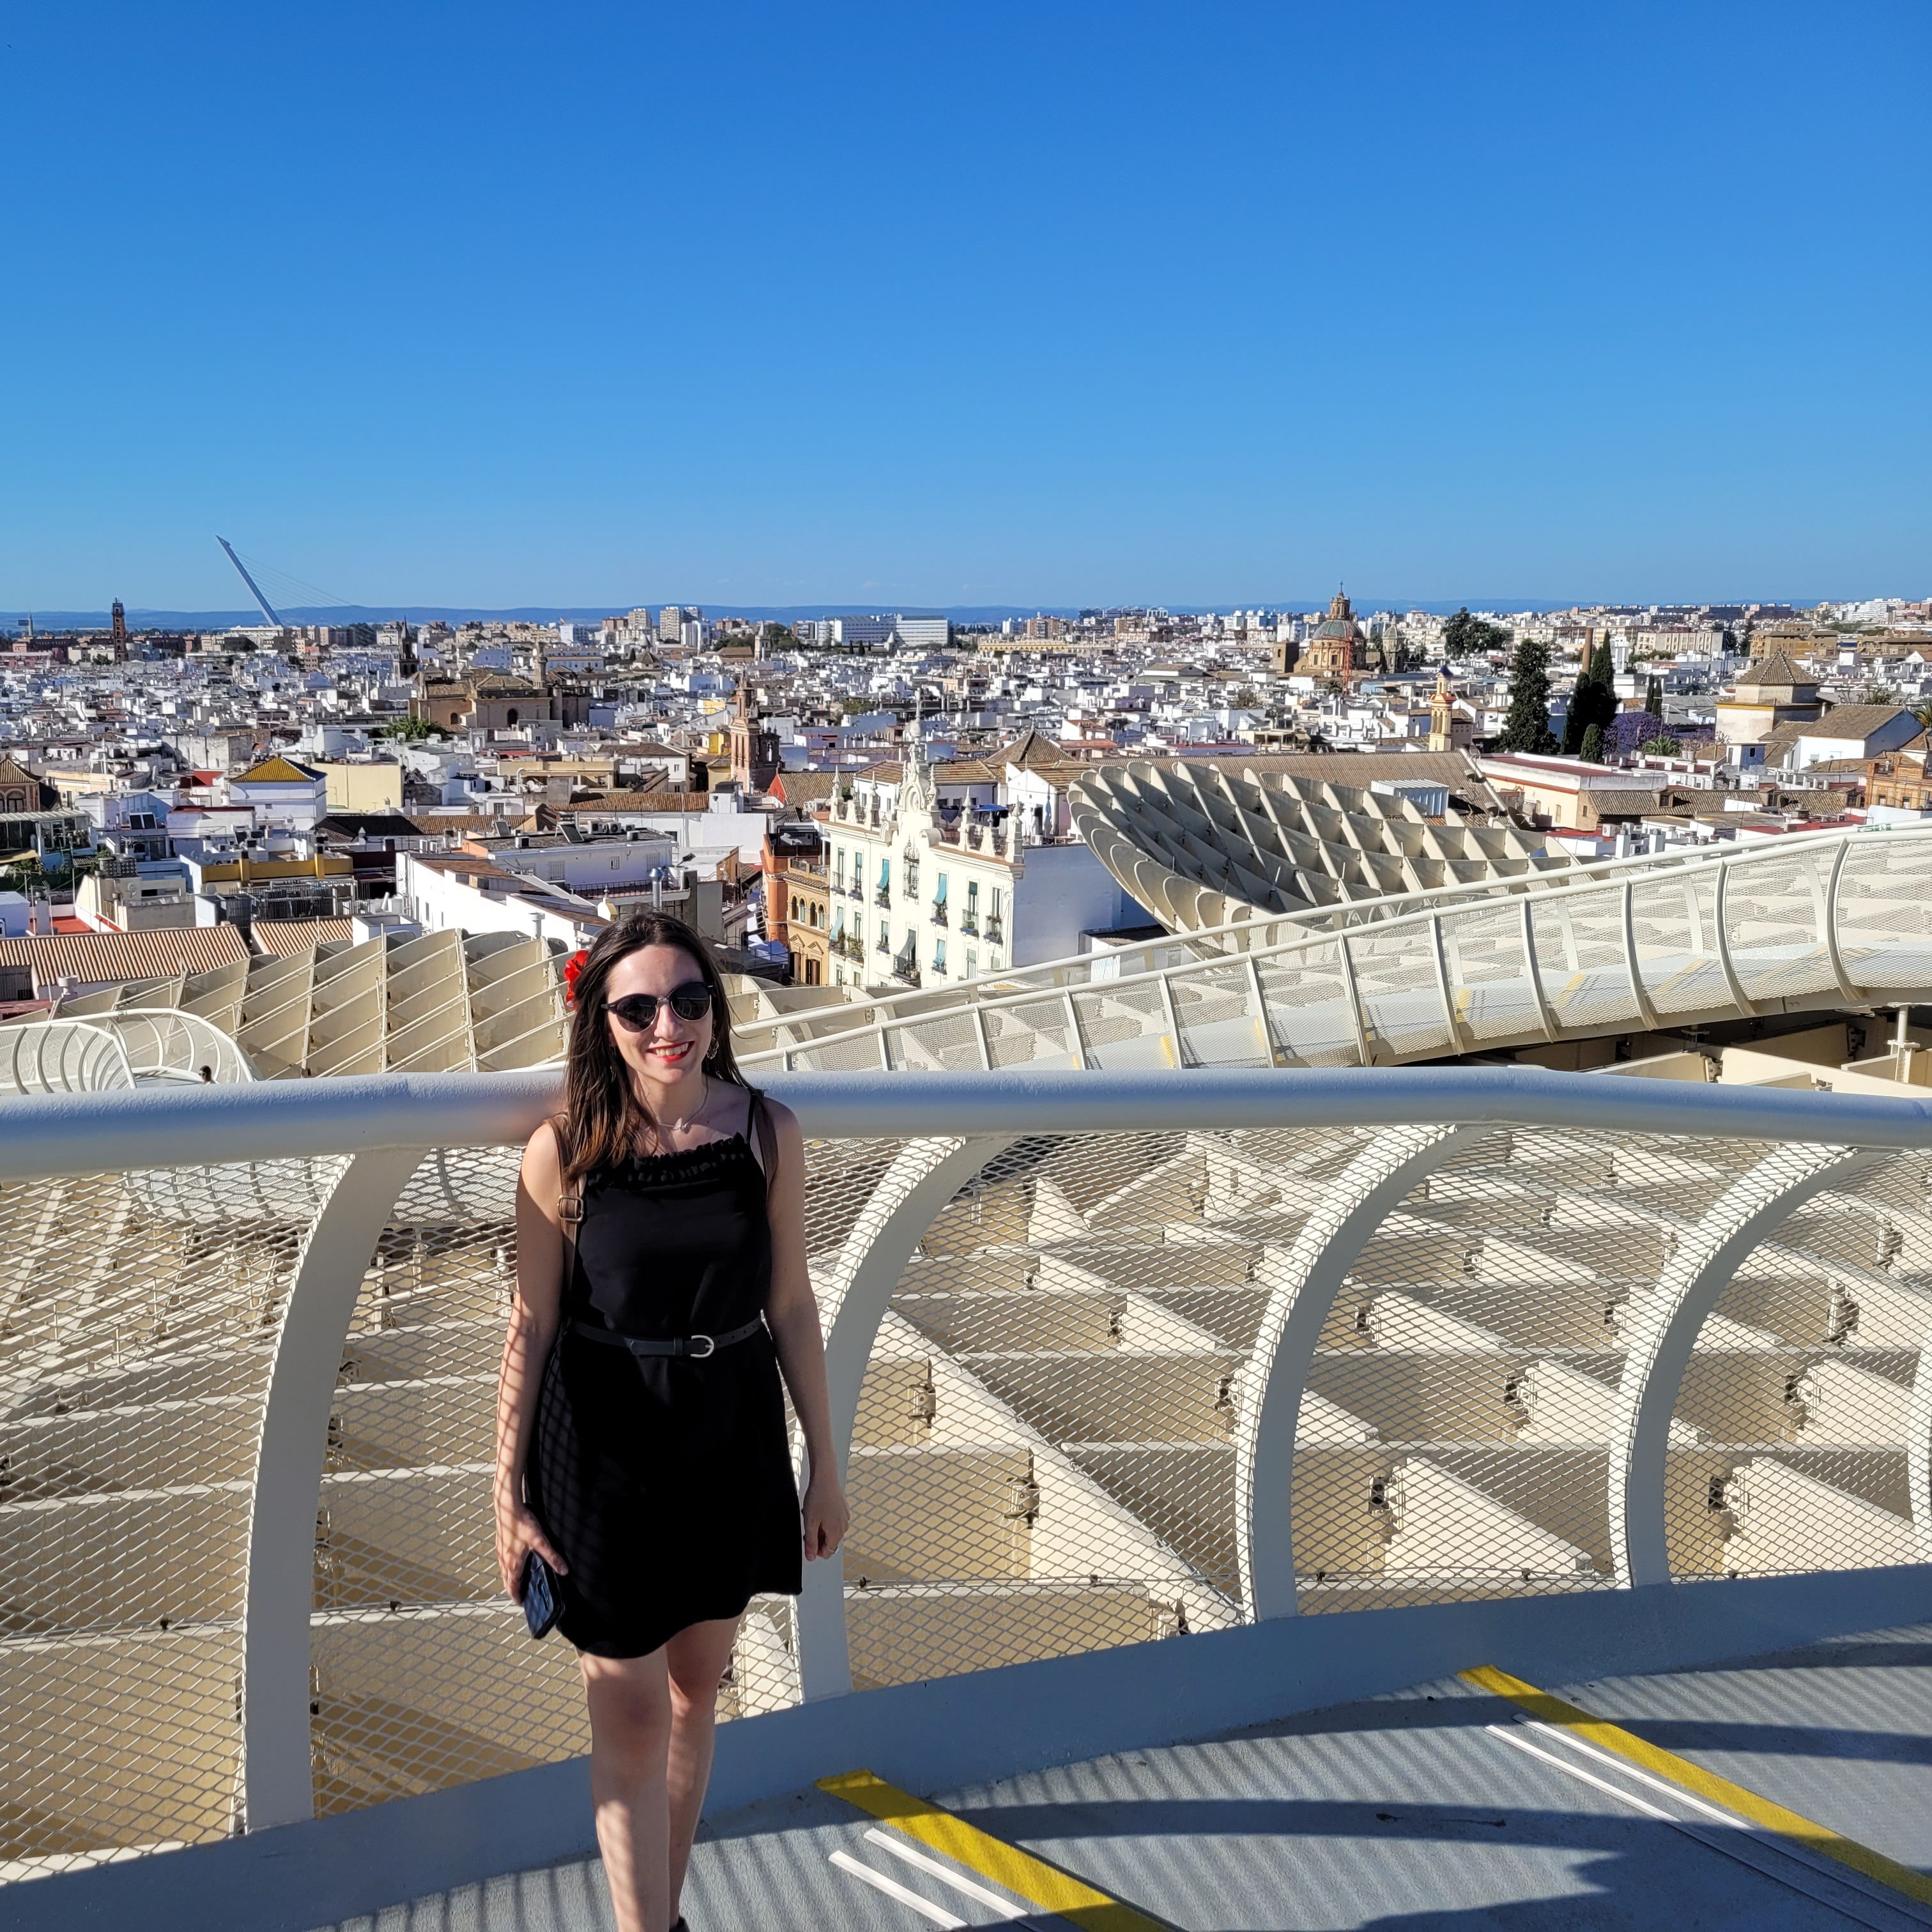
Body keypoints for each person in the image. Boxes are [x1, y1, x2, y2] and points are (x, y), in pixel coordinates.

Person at [494, 913, 847, 1932]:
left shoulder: (765, 1132)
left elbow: (791, 1304)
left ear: (714, 1010)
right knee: (634, 1707)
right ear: (599, 1019)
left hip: (727, 1433)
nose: (668, 1026)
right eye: (638, 1006)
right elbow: (531, 1323)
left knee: (699, 1686)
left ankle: (664, 1910)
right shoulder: (564, 1152)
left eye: (689, 1001)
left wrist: (826, 1464)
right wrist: (506, 1495)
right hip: (599, 1445)